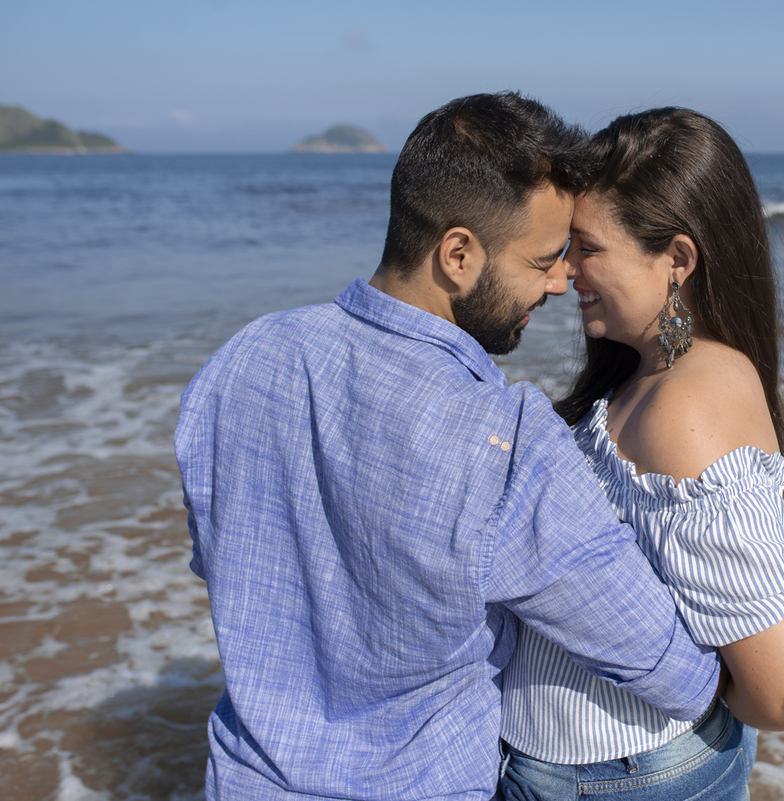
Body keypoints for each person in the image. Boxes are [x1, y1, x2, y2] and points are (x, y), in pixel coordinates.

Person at [174, 93, 721, 801]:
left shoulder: (239, 362)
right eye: (544, 258)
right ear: (458, 254)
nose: (562, 281)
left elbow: (215, 559)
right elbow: (665, 665)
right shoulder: (502, 437)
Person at [500, 108, 784, 800]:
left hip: (618, 779)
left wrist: (679, 695)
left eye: (586, 248)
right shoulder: (652, 373)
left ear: (678, 259)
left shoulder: (685, 404)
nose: (564, 273)